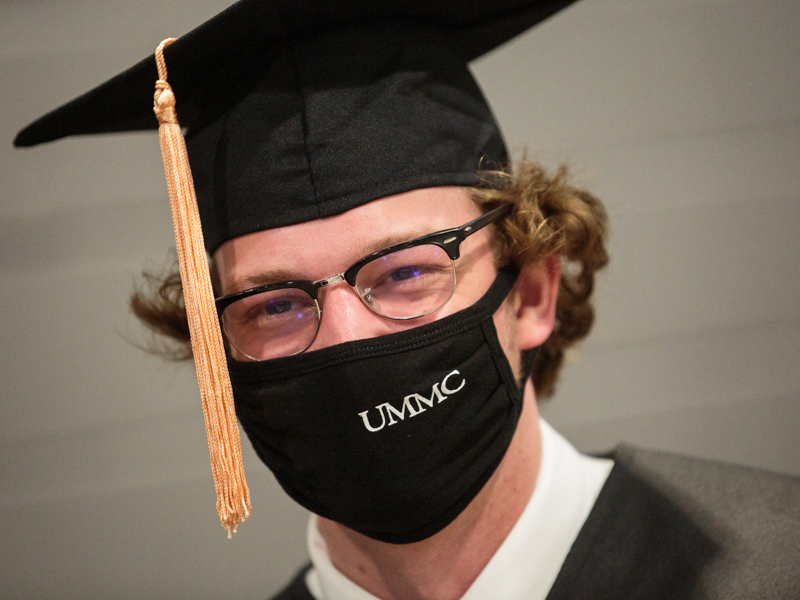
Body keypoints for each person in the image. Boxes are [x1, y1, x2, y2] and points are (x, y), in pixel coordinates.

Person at [14, 1, 800, 598]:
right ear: (220, 363)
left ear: (530, 292)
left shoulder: (773, 561)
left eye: (404, 273)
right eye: (275, 306)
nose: (344, 340)